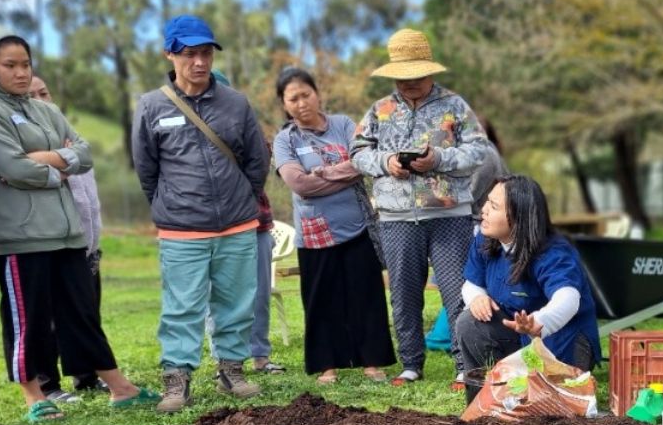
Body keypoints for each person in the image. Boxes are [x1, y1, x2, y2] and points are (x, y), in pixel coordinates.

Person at [0, 24, 158, 421]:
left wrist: (43, 159)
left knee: (81, 311)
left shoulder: (46, 109)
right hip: (20, 235)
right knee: (27, 318)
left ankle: (119, 387)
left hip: (67, 231)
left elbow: (83, 155)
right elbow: (10, 167)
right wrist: (59, 164)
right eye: (10, 65)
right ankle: (34, 396)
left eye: (26, 64)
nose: (21, 73)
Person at [132, 14, 270, 412]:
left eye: (206, 53)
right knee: (182, 306)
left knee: (237, 301)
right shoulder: (151, 106)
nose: (199, 62)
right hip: (181, 228)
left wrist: (242, 197)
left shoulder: (236, 103)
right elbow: (146, 168)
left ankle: (231, 371)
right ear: (169, 54)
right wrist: (169, 205)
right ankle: (177, 381)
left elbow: (256, 161)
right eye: (189, 53)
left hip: (237, 224)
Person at [351, 27, 489, 388]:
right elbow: (356, 154)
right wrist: (387, 162)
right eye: (402, 77)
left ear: (430, 71)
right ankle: (411, 364)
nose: (409, 83)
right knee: (404, 294)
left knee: (457, 292)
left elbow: (480, 151)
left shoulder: (455, 106)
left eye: (416, 76)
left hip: (449, 216)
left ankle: (465, 366)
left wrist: (439, 158)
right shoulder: (379, 110)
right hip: (396, 218)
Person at [273, 67, 396, 384]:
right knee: (321, 300)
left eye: (306, 94)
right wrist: (341, 172)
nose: (301, 103)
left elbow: (363, 164)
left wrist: (321, 175)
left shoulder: (343, 125)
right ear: (285, 105)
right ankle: (327, 366)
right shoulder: (284, 140)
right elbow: (298, 184)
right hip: (315, 233)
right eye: (293, 99)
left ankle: (371, 361)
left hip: (357, 225)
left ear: (317, 93)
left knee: (365, 296)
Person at [456, 175, 601, 374]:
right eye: (487, 202)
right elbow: (472, 282)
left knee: (548, 397)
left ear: (519, 217)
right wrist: (476, 297)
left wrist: (540, 322)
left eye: (494, 206)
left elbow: (568, 298)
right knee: (469, 322)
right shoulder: (485, 238)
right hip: (517, 333)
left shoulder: (553, 251)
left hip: (562, 337)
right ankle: (488, 386)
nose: (484, 211)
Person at [27, 73, 108, 401]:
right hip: (51, 244)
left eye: (44, 92)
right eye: (32, 96)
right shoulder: (26, 146)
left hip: (87, 245)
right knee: (47, 319)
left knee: (87, 311)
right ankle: (48, 384)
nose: (42, 100)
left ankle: (87, 376)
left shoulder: (72, 139)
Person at [205, 69, 284, 376]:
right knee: (217, 297)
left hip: (254, 223)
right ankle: (223, 360)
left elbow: (261, 159)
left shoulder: (247, 126)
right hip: (209, 228)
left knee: (259, 292)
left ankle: (260, 356)